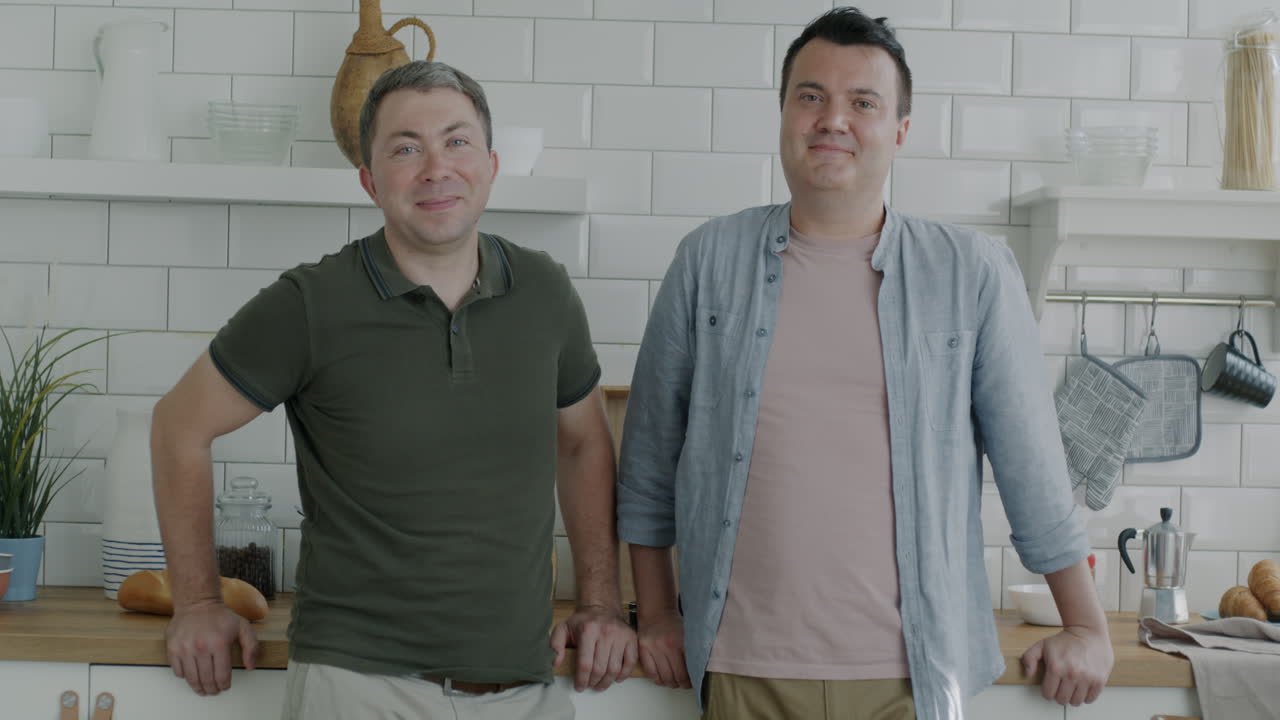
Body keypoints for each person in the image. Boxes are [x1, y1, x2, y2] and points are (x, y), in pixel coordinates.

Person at [616, 7, 1113, 719]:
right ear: (783, 114)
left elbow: (1032, 467)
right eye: (810, 96)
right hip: (738, 667)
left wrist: (1087, 626)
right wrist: (658, 613)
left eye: (863, 102)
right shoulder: (707, 262)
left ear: (900, 131)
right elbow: (649, 463)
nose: (832, 119)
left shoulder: (968, 273)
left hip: (911, 672)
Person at [151, 60, 636, 719]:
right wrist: (199, 603)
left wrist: (602, 605)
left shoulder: (545, 292)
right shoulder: (310, 303)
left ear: (490, 165)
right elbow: (180, 425)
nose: (437, 168)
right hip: (359, 687)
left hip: (526, 689)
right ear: (369, 180)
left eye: (457, 141)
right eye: (406, 148)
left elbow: (583, 445)